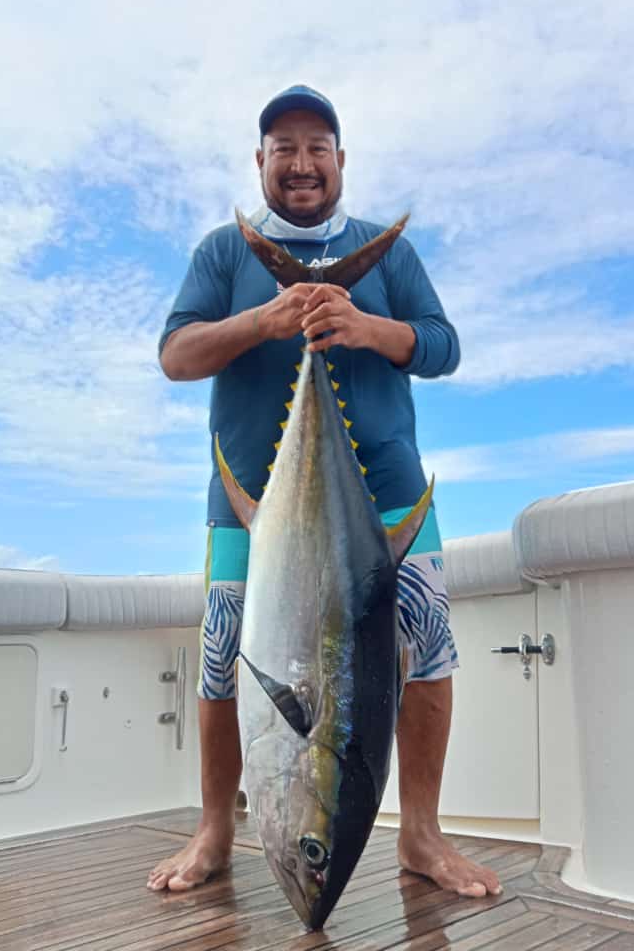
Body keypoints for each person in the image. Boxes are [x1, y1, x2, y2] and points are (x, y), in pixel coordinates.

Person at [148, 85, 502, 899]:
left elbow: (443, 346)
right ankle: (215, 832)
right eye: (284, 149)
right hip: (250, 503)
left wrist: (367, 328)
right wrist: (261, 324)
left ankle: (420, 836)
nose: (301, 164)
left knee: (427, 657)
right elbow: (175, 353)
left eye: (317, 148)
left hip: (390, 501)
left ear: (341, 160)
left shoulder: (389, 253)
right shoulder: (222, 253)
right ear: (261, 162)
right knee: (223, 665)